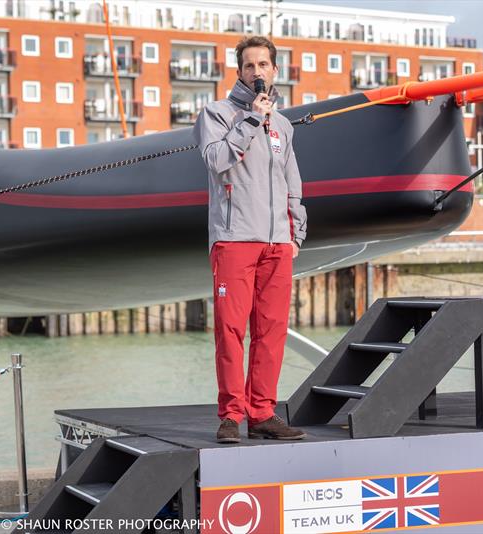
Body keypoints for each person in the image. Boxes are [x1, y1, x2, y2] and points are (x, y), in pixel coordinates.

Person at [193, 36, 308, 443]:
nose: (257, 72)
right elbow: (217, 161)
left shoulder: (283, 125)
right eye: (249, 66)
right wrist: (251, 120)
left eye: (264, 65)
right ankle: (230, 415)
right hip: (235, 238)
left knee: (271, 329)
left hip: (277, 243)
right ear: (238, 72)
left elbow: (291, 180)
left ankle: (262, 413)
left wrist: (296, 232)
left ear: (275, 71)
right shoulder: (217, 114)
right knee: (230, 329)